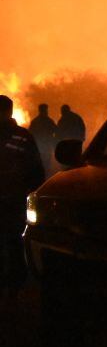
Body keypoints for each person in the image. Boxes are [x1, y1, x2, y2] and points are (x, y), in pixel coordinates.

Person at [1, 95, 45, 294]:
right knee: (14, 239)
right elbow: (36, 169)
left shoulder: (22, 135)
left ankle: (13, 281)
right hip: (14, 197)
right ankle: (15, 281)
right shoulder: (23, 136)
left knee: (11, 238)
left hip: (12, 197)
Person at [28, 103, 58, 175]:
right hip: (47, 145)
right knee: (47, 164)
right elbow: (56, 131)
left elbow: (30, 133)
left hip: (38, 146)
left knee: (39, 163)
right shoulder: (49, 121)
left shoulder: (35, 121)